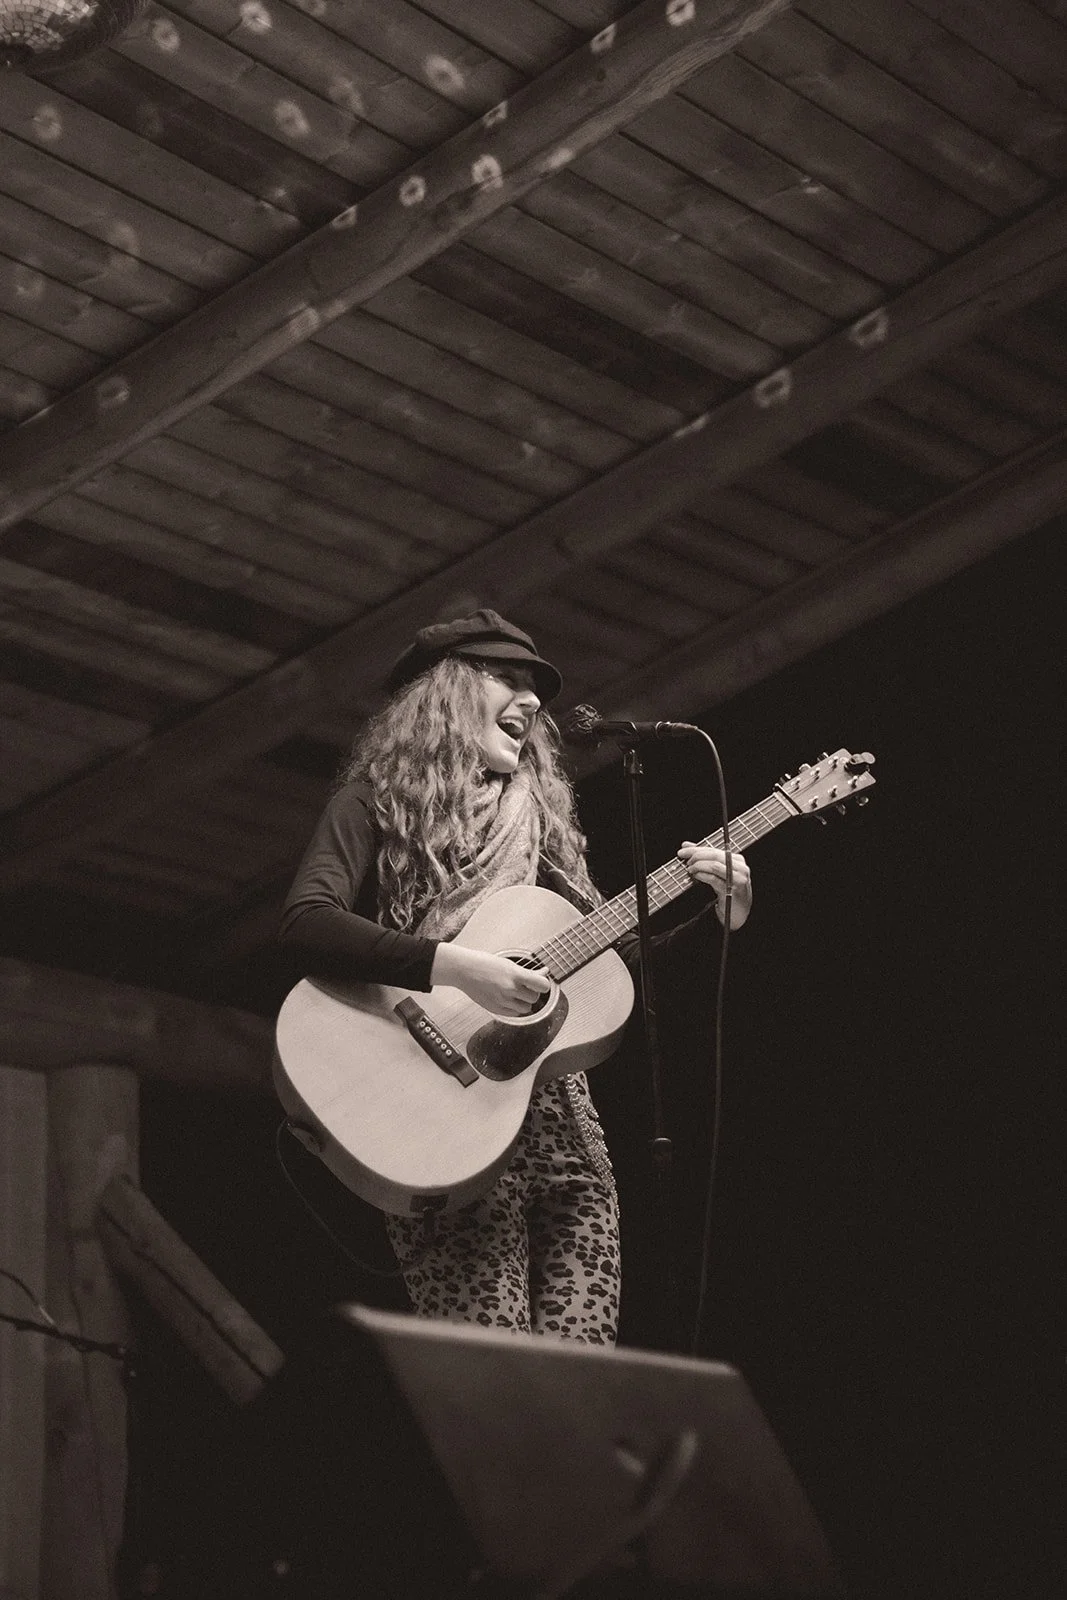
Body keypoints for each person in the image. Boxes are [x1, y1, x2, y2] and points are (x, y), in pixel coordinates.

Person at [279, 609, 751, 1345]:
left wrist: (717, 917)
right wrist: (459, 969)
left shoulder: (540, 824)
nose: (531, 700)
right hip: (439, 1124)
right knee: (493, 1378)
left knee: (582, 1375)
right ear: (442, 695)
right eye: (505, 677)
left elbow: (609, 963)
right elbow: (307, 922)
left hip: (563, 1123)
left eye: (535, 689)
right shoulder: (371, 803)